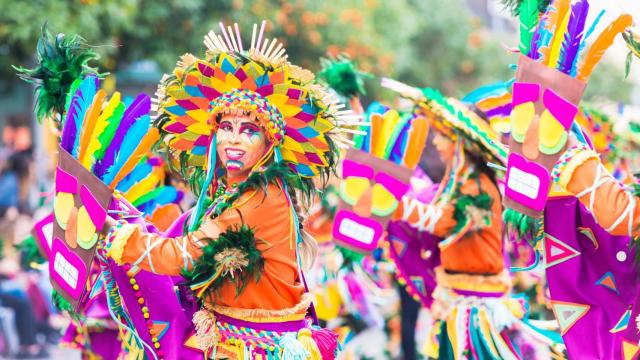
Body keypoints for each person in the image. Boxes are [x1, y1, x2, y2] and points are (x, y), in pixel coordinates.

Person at [83, 22, 358, 359]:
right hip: (229, 342)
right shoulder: (229, 195)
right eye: (226, 127)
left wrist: (112, 235)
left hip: (258, 350)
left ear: (270, 144)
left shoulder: (261, 196)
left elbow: (183, 255)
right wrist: (116, 215)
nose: (234, 139)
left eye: (249, 130)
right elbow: (182, 238)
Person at [382, 83, 565, 359]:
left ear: (461, 144)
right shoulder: (459, 182)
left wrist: (392, 203)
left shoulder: (477, 188)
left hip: (477, 310)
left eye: (443, 136)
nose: (436, 143)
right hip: (457, 300)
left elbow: (442, 222)